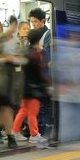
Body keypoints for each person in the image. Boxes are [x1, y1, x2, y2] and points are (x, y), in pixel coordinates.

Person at [11, 29, 51, 149]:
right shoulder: (36, 54)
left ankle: (15, 131)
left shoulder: (27, 52)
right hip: (34, 88)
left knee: (23, 110)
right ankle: (34, 135)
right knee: (33, 112)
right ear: (39, 40)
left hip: (25, 87)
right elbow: (41, 72)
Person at [0, 16, 25, 149]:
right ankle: (8, 135)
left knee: (5, 110)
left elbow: (23, 60)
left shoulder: (16, 42)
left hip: (10, 82)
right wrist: (5, 59)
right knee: (4, 110)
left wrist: (13, 59)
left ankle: (4, 135)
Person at [28, 8, 54, 143]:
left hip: (45, 75)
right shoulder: (32, 33)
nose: (33, 25)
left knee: (43, 106)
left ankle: (43, 131)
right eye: (31, 22)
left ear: (43, 21)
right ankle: (35, 131)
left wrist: (40, 49)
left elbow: (49, 56)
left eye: (36, 22)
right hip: (36, 76)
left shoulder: (48, 34)